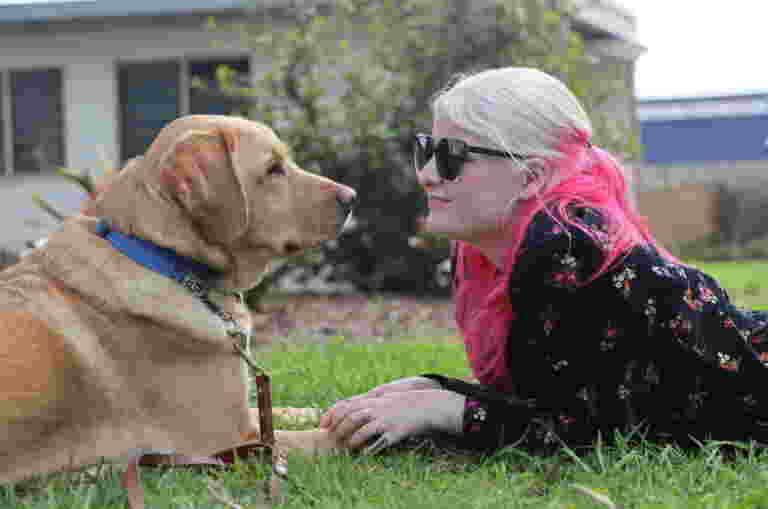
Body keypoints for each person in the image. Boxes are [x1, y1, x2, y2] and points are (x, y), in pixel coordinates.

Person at [319, 67, 768, 455]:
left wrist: (445, 409)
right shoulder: (495, 254)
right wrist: (436, 388)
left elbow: (592, 434)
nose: (426, 174)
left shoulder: (568, 250)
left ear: (531, 176)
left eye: (452, 157)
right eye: (427, 150)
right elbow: (551, 397)